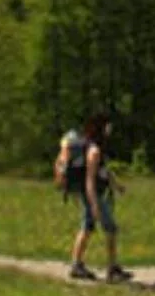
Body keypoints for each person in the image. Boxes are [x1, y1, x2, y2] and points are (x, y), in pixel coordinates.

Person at [53, 112, 133, 283]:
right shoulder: (94, 150)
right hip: (93, 194)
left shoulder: (95, 148)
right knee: (110, 227)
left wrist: (117, 186)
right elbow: (89, 180)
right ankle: (112, 269)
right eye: (107, 126)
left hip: (92, 194)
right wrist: (94, 205)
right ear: (101, 128)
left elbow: (104, 170)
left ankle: (77, 265)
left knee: (88, 227)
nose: (110, 129)